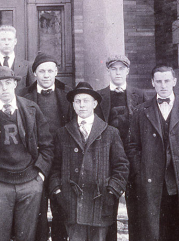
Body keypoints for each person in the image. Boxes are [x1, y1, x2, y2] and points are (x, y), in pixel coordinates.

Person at [0, 66, 53, 241]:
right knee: (0, 235)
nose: (4, 88)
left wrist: (40, 175)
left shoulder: (30, 108)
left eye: (8, 83)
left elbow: (47, 145)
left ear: (14, 84)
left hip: (29, 182)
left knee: (27, 236)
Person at [49, 82, 129, 241]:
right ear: (73, 105)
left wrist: (111, 191)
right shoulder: (62, 133)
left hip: (100, 202)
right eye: (78, 101)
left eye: (86, 101)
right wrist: (58, 191)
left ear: (95, 103)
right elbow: (54, 168)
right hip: (72, 204)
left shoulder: (110, 133)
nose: (82, 105)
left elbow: (122, 166)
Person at [21, 52, 73, 241]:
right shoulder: (23, 96)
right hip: (34, 161)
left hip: (61, 160)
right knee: (37, 211)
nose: (46, 75)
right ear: (34, 73)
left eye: (50, 70)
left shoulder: (68, 95)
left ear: (56, 71)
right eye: (41, 71)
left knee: (62, 208)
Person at [95, 55, 146, 241]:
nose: (118, 72)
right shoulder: (98, 96)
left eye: (121, 69)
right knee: (108, 208)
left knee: (137, 210)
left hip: (133, 158)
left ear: (127, 71)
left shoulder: (140, 96)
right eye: (113, 69)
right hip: (109, 160)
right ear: (108, 71)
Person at [127, 65, 179, 240]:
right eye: (158, 81)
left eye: (166, 81)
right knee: (154, 231)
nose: (163, 85)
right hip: (151, 182)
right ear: (152, 83)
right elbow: (132, 146)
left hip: (176, 180)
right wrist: (140, 173)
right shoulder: (141, 111)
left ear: (174, 81)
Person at [0, 25, 34, 94]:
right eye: (3, 39)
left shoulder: (27, 66)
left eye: (9, 39)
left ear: (15, 41)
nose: (6, 43)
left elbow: (31, 91)